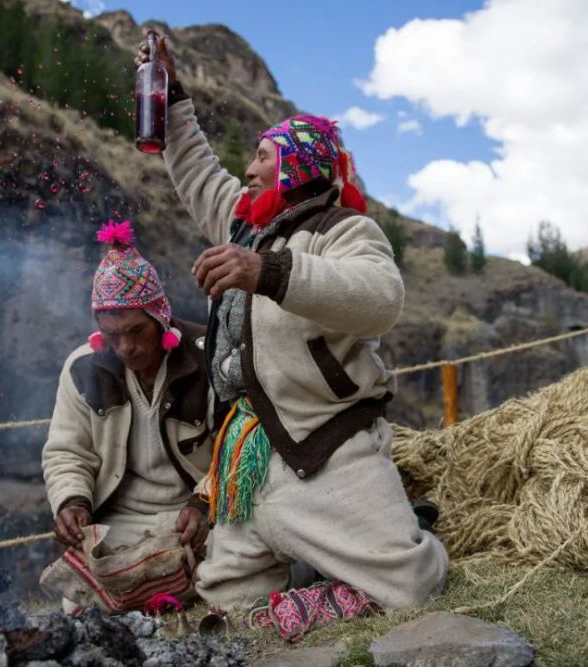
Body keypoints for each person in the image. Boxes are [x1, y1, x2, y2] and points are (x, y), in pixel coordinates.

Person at [135, 36, 449, 610]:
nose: (246, 168)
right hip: (247, 451)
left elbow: (381, 298)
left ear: (299, 165)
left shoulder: (345, 231)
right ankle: (314, 578)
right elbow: (196, 170)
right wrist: (172, 95)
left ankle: (396, 529)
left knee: (412, 585)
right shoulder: (244, 225)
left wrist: (269, 272)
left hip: (325, 443)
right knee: (227, 599)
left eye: (261, 156)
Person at [42, 220, 215, 561]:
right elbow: (67, 452)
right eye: (111, 334)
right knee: (81, 594)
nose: (126, 347)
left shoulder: (208, 356)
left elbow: (236, 448)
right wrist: (72, 500)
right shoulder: (82, 368)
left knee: (236, 564)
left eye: (137, 330)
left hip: (197, 515)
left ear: (161, 317)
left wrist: (204, 502)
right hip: (121, 521)